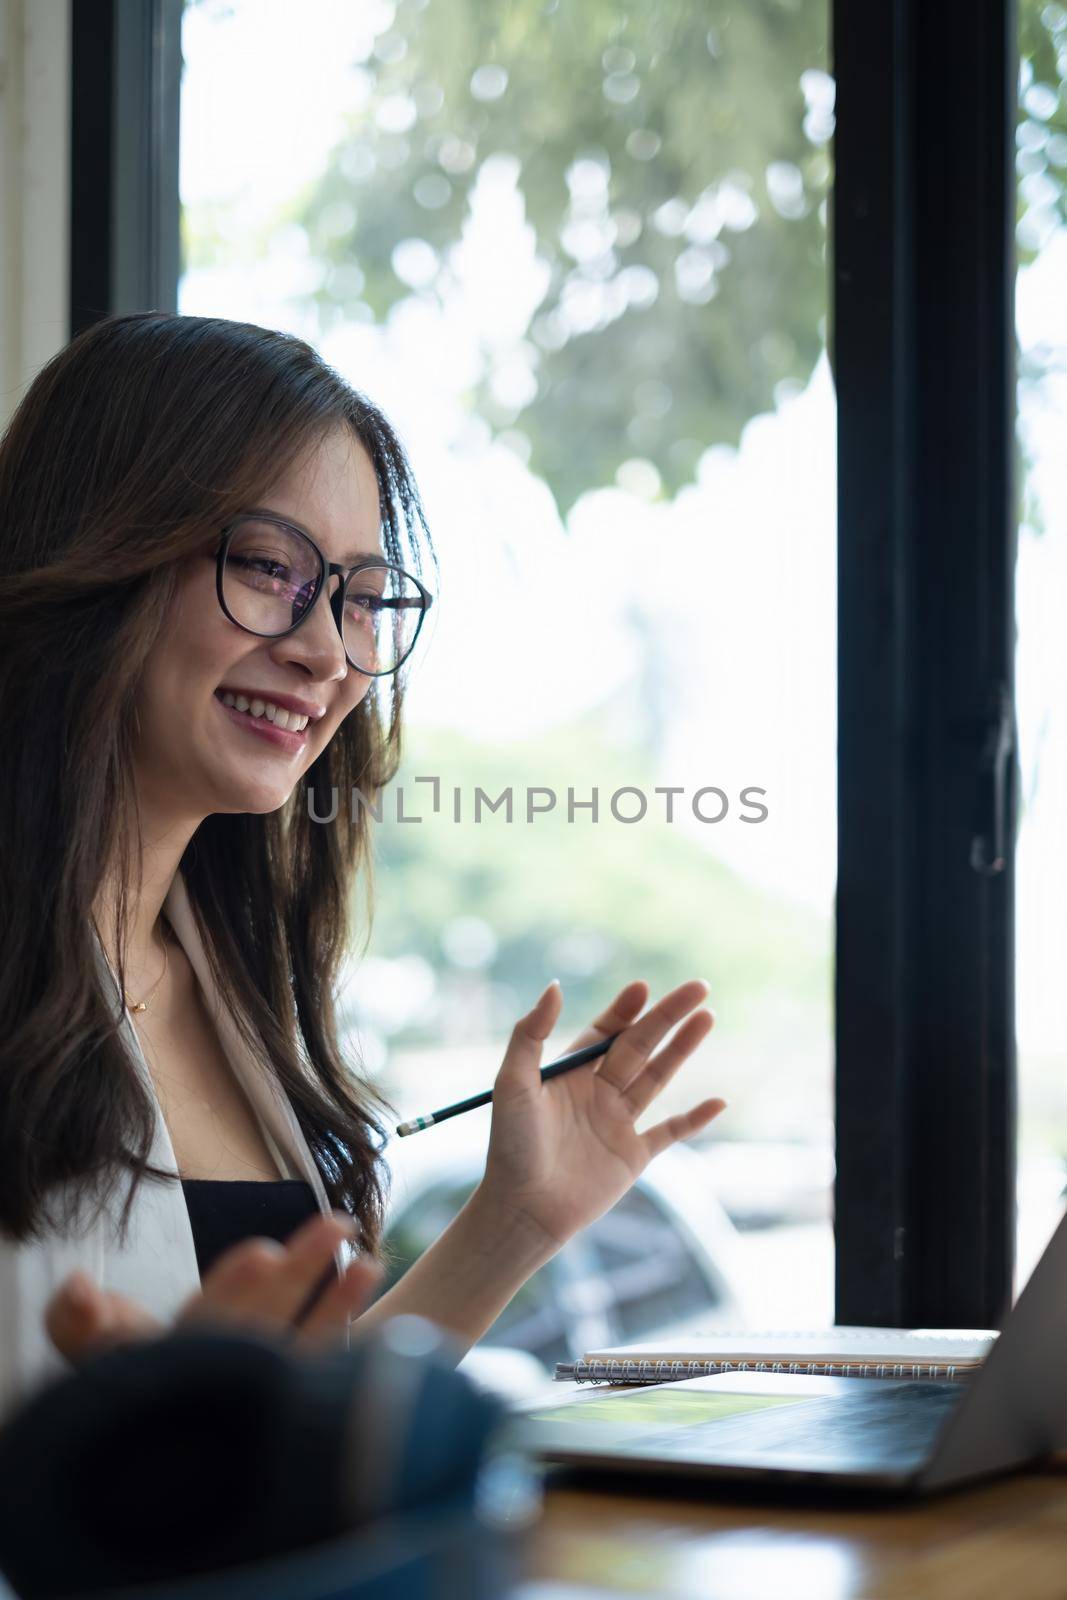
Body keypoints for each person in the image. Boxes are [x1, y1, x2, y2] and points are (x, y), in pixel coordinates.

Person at [0, 312, 725, 1424]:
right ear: (102, 546)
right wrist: (133, 1466)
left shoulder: (230, 991)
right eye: (267, 567)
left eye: (361, 596)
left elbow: (271, 1441)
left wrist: (511, 1225)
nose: (327, 652)